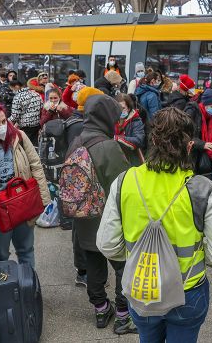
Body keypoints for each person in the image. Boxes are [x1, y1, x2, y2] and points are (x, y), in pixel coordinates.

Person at [97, 107, 212, 342]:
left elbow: (107, 244)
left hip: (142, 289)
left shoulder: (125, 181)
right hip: (187, 292)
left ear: (152, 140)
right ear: (190, 146)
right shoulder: (202, 189)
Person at [66, 94, 136, 334]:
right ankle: (123, 317)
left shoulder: (76, 141)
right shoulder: (108, 146)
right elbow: (125, 185)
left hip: (84, 220)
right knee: (123, 268)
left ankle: (101, 309)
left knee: (94, 266)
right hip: (110, 220)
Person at [0, 103, 51, 267]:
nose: (2, 126)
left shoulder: (19, 136)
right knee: (0, 254)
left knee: (26, 250)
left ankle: (30, 287)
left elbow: (36, 165)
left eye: (4, 121)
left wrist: (44, 199)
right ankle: (6, 289)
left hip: (22, 202)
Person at [64, 86, 103, 284]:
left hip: (81, 186)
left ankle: (86, 270)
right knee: (82, 232)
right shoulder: (80, 126)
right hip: (82, 188)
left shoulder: (76, 120)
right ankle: (83, 272)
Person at [9, 79, 44, 145]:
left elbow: (15, 116)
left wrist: (7, 122)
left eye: (12, 89)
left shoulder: (17, 97)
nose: (12, 91)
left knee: (26, 147)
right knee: (34, 146)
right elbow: (41, 108)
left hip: (25, 128)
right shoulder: (36, 94)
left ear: (16, 86)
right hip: (37, 126)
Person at [115, 93, 146, 166]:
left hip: (130, 160)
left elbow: (139, 140)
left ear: (129, 109)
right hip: (115, 158)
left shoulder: (136, 121)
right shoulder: (111, 119)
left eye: (123, 108)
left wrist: (117, 138)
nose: (120, 110)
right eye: (117, 107)